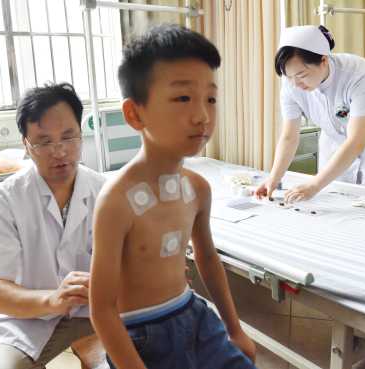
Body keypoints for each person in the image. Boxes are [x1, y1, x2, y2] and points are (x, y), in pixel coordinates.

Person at [89, 24, 258, 369]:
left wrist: (234, 329)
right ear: (135, 113)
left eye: (210, 98)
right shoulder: (116, 202)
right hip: (141, 334)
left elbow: (209, 260)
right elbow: (101, 308)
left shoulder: (197, 189)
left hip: (193, 315)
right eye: (183, 98)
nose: (202, 115)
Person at [0, 83, 106, 369]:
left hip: (97, 312)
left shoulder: (106, 192)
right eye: (44, 142)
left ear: (81, 135)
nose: (59, 151)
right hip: (25, 316)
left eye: (69, 137)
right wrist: (52, 300)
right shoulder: (6, 200)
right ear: (26, 144)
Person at [255, 25, 365, 203]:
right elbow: (289, 137)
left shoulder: (360, 75)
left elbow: (356, 141)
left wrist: (314, 184)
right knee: (338, 209)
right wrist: (274, 178)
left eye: (302, 75)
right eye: (288, 76)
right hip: (336, 152)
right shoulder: (291, 85)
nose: (295, 84)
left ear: (324, 60)